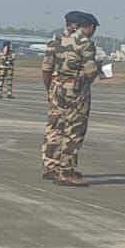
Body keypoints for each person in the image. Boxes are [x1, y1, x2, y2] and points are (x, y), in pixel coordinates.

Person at [41, 11, 102, 187]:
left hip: (57, 86)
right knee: (74, 130)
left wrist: (49, 91)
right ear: (89, 27)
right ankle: (66, 172)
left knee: (55, 127)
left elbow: (46, 69)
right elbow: (90, 73)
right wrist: (99, 68)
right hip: (76, 89)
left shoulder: (56, 41)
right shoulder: (85, 43)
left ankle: (51, 166)